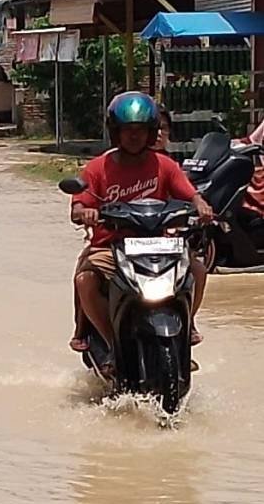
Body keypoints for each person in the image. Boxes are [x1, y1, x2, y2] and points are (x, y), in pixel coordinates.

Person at [69, 92, 213, 358]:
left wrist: (201, 206)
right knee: (85, 279)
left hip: (159, 245)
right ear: (116, 132)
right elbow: (79, 204)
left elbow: (190, 194)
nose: (134, 136)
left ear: (151, 132)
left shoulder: (165, 165)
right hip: (110, 247)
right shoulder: (97, 168)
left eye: (140, 130)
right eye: (127, 130)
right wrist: (84, 212)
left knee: (198, 269)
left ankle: (187, 323)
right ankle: (111, 344)